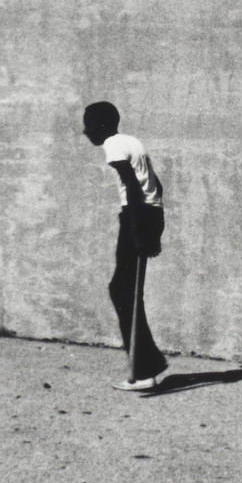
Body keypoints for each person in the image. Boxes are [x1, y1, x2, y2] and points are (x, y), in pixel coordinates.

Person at [81, 101, 167, 391]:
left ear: (102, 125)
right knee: (127, 291)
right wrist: (155, 228)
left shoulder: (113, 145)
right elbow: (156, 184)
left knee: (122, 291)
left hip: (135, 216)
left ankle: (145, 370)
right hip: (149, 214)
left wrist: (137, 231)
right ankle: (148, 364)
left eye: (89, 124)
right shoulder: (132, 141)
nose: (85, 130)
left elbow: (131, 186)